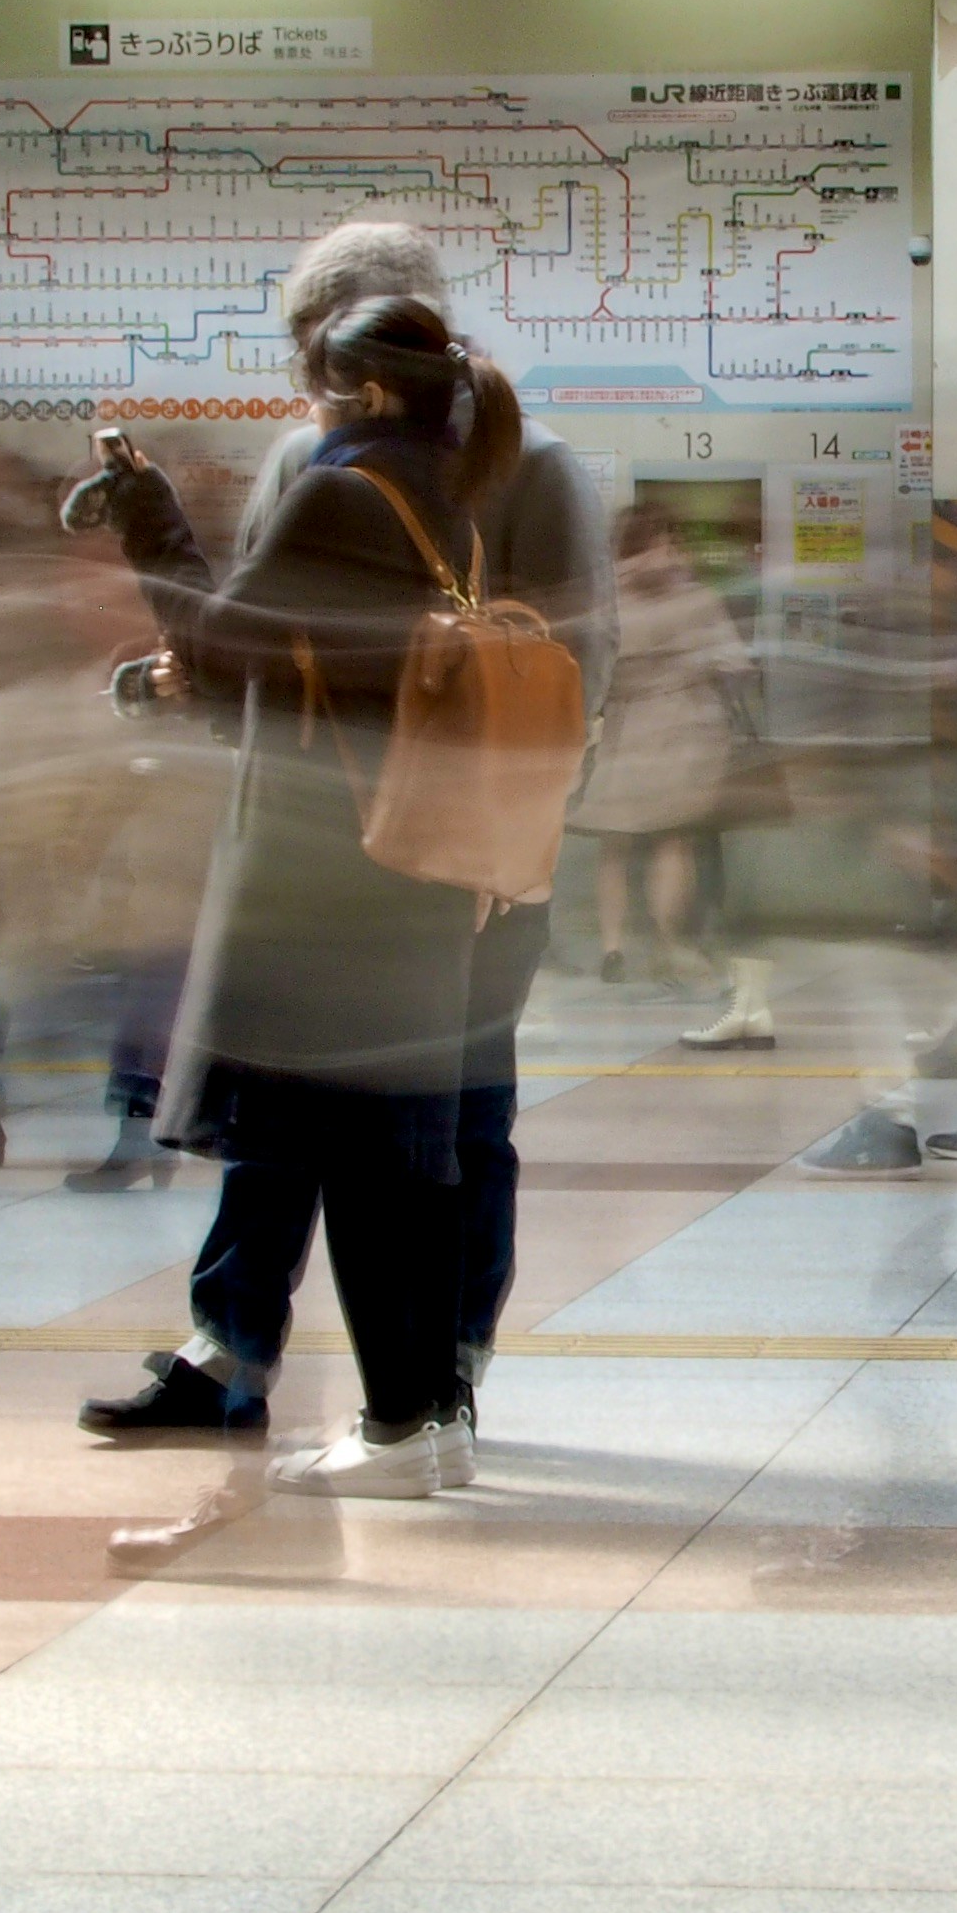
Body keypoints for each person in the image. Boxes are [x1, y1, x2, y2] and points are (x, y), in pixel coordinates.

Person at [82, 224, 609, 1472]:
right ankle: (246, 1352)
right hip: (354, 839)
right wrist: (179, 686)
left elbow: (576, 673)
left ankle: (435, 1386)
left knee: (438, 1127)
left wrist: (509, 843)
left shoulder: (516, 468)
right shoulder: (361, 460)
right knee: (311, 1116)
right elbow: (278, 657)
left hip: (451, 855)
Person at [576, 503, 752, 1000]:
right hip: (680, 735)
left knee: (615, 846)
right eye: (665, 541)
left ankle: (614, 949)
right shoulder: (692, 598)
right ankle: (667, 943)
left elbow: (589, 666)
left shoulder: (604, 598)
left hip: (622, 733)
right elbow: (735, 664)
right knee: (671, 843)